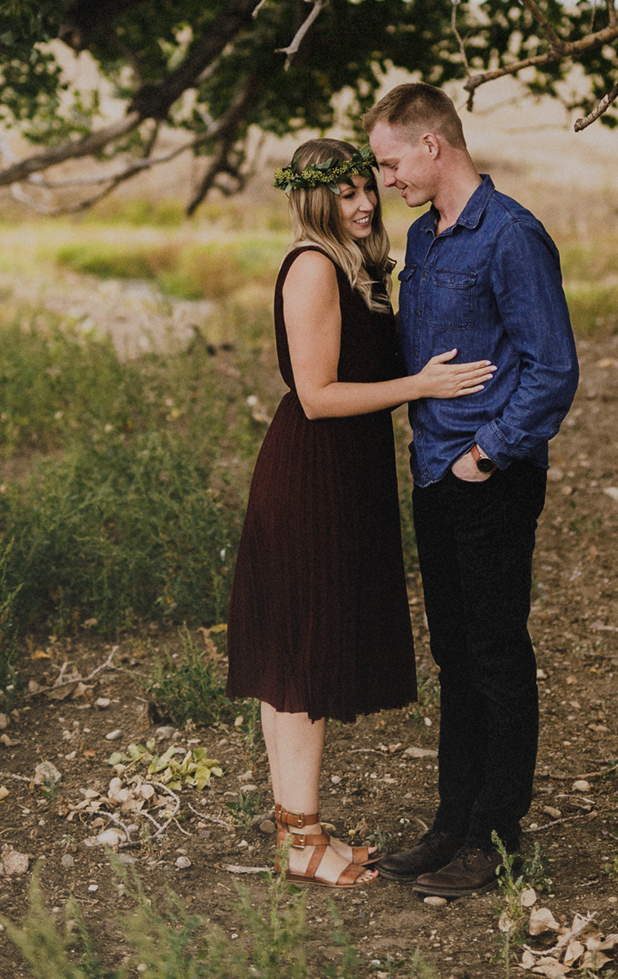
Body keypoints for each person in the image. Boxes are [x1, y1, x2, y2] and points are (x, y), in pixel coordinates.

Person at [225, 138, 497, 888]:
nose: (366, 202)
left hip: (342, 471)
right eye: (346, 194)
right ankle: (305, 839)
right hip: (314, 472)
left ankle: (297, 834)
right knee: (303, 659)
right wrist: (421, 386)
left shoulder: (355, 264)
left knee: (293, 659)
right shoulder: (314, 266)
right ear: (315, 200)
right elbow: (317, 395)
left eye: (367, 187)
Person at [365, 83, 580, 899]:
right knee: (454, 655)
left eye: (391, 162)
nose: (387, 178)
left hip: (488, 476)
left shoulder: (512, 235)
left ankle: (497, 834)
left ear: (433, 145)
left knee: (495, 653)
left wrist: (486, 455)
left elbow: (552, 367)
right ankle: (452, 821)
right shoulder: (424, 240)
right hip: (432, 472)